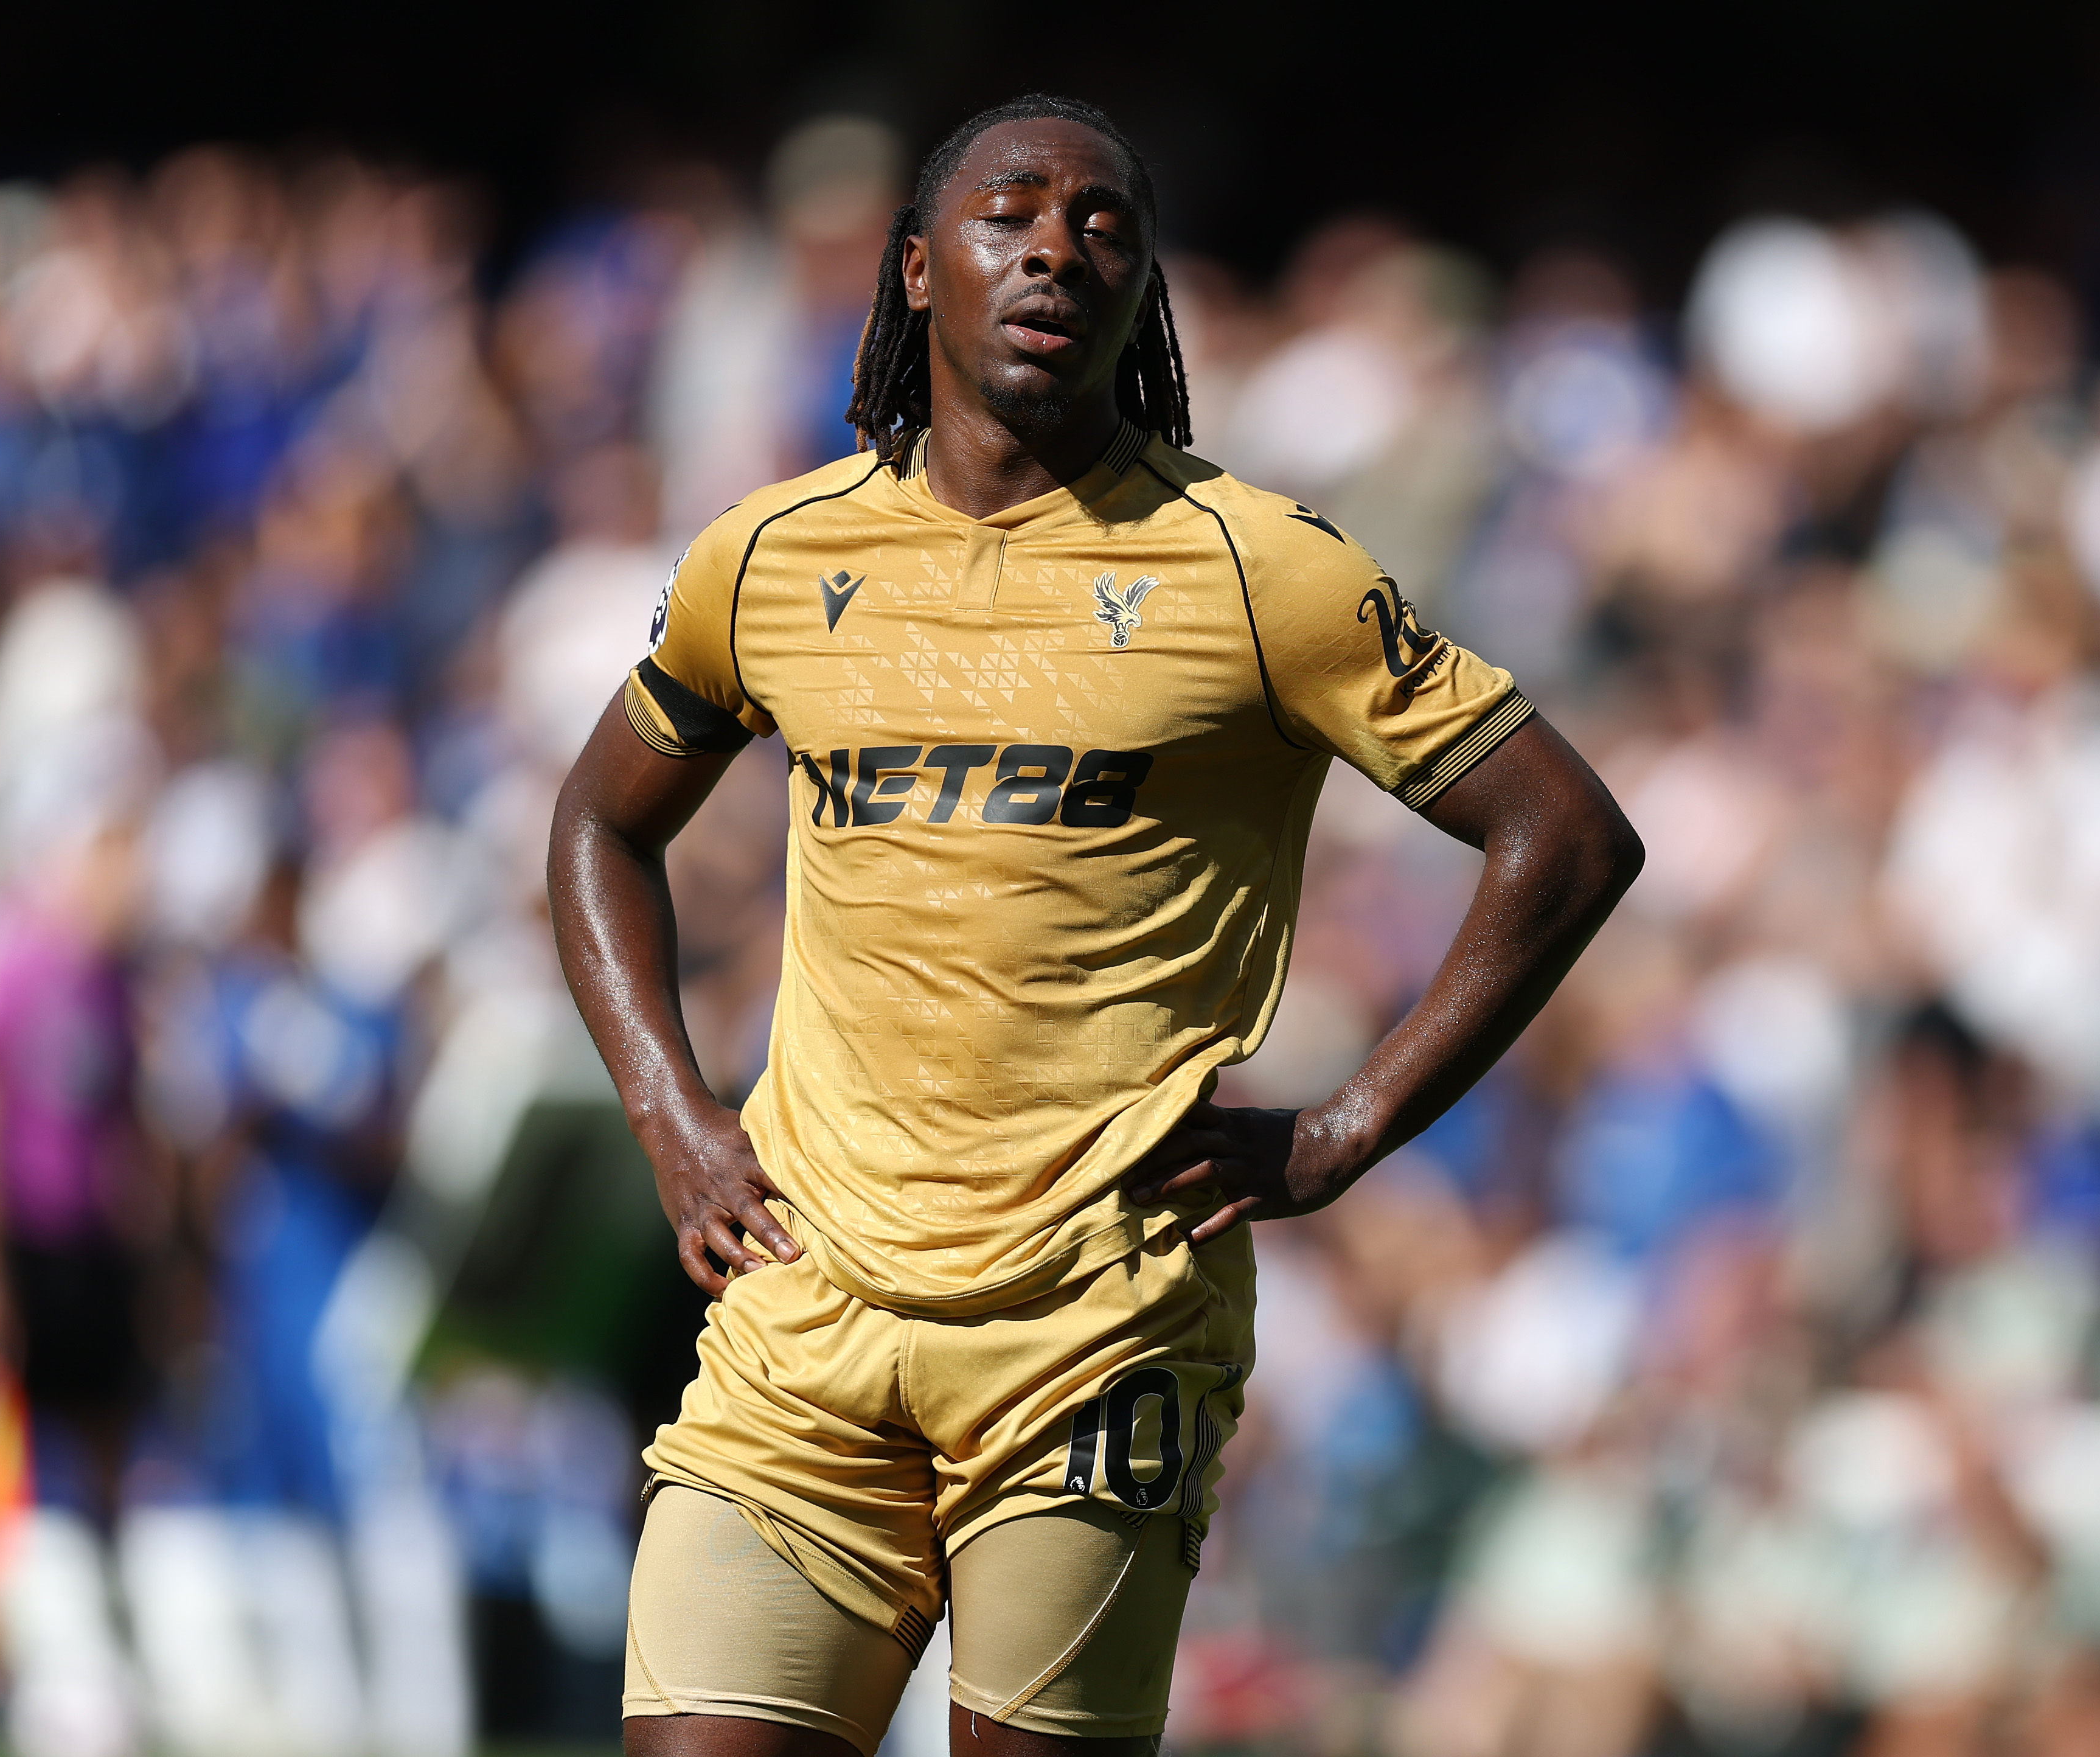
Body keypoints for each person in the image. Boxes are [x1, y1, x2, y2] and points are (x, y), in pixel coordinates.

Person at [548, 94, 1642, 1756]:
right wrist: (670, 1110)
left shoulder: (1255, 567)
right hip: (803, 1308)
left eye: (1104, 225)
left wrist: (1349, 1128)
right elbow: (598, 823)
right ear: (919, 271)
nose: (1058, 247)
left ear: (1144, 295)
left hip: (1095, 1329)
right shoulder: (770, 556)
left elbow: (1563, 833)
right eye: (1011, 214)